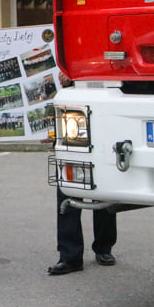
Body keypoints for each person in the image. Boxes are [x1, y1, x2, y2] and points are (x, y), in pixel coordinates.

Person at [46, 71, 117, 275]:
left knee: (103, 183)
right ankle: (70, 255)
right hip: (74, 111)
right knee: (69, 184)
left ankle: (104, 246)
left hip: (105, 107)